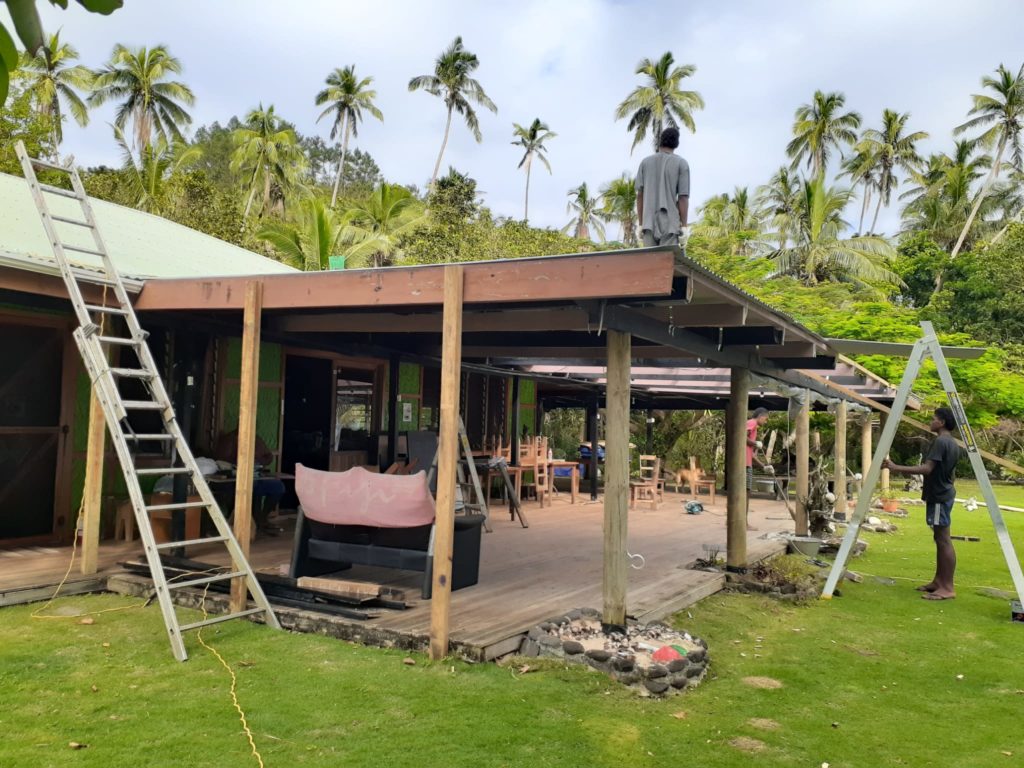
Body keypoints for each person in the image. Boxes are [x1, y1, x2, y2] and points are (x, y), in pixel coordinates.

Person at [883, 407, 963, 600]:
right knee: (939, 538)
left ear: (942, 423)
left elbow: (927, 469)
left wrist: (895, 467)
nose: (931, 421)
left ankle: (947, 587)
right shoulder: (952, 443)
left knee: (943, 539)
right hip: (943, 493)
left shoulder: (940, 441)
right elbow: (948, 473)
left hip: (939, 497)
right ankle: (938, 581)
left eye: (934, 418)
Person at [215, 429, 286, 536]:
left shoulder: (256, 438)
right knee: (250, 487)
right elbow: (221, 460)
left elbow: (269, 457)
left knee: (278, 486)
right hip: (236, 477)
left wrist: (259, 460)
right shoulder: (229, 440)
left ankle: (262, 518)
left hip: (257, 474)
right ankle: (240, 522)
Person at [635, 126, 690, 249]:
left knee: (650, 265)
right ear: (676, 143)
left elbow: (640, 195)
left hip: (648, 223)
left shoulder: (645, 163)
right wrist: (684, 226)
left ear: (660, 142)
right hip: (670, 224)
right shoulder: (681, 164)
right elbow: (683, 197)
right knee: (667, 263)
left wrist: (640, 223)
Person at [745, 407, 770, 531]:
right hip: (743, 464)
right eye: (765, 419)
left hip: (747, 463)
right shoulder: (752, 423)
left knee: (744, 493)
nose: (765, 422)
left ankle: (733, 520)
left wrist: (764, 467)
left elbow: (752, 455)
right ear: (760, 416)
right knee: (745, 493)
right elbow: (741, 437)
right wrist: (755, 443)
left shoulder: (753, 427)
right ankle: (743, 523)